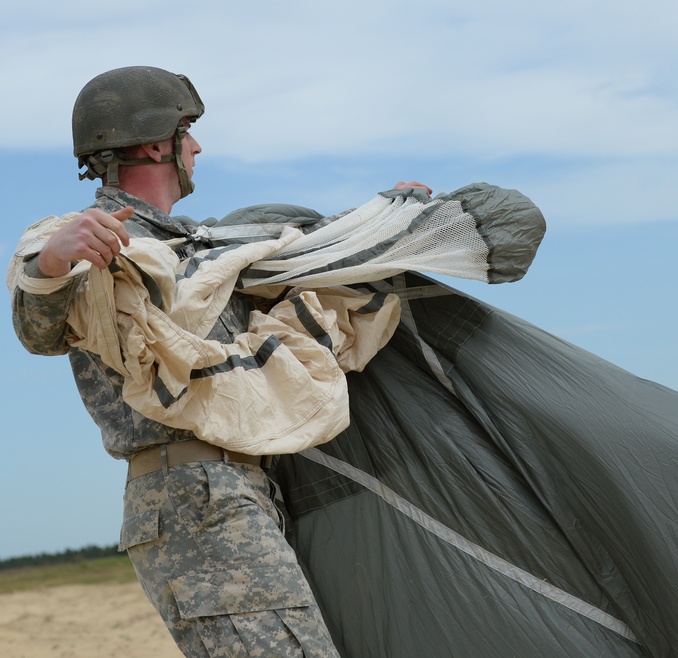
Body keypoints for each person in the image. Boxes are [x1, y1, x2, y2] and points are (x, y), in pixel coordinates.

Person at [9, 65, 427, 658]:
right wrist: (52, 262)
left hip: (243, 486)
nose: (198, 146)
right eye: (188, 131)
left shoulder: (205, 249)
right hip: (193, 495)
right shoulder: (95, 244)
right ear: (158, 143)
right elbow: (38, 330)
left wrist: (386, 219)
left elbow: (294, 258)